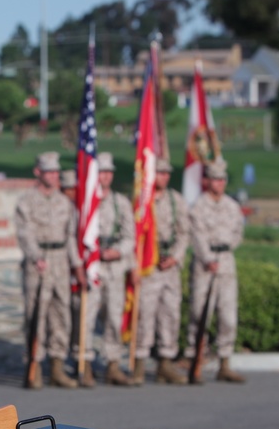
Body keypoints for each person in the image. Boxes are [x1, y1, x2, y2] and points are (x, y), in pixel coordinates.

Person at [14, 152, 87, 389]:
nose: (54, 176)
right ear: (38, 172)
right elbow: (24, 232)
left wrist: (77, 267)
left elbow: (70, 237)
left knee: (61, 313)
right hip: (39, 262)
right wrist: (36, 256)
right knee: (35, 314)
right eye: (49, 172)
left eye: (56, 172)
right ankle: (34, 365)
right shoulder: (26, 201)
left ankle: (57, 365)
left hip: (60, 261)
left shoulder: (64, 202)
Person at [184, 158, 246, 383]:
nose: (218, 183)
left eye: (221, 179)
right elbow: (196, 235)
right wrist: (208, 258)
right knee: (200, 314)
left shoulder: (232, 206)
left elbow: (239, 232)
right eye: (214, 179)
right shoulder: (199, 206)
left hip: (226, 262)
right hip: (205, 264)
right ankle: (196, 359)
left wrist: (226, 249)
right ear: (207, 181)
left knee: (228, 315)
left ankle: (225, 362)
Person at [134, 158, 189, 385]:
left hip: (169, 266)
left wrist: (175, 256)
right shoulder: (142, 200)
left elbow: (184, 232)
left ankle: (165, 363)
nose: (164, 177)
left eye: (167, 173)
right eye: (160, 173)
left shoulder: (176, 200)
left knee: (170, 314)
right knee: (145, 315)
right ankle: (139, 363)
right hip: (149, 266)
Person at [92, 152, 137, 386]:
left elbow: (131, 236)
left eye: (109, 172)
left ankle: (112, 364)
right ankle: (84, 363)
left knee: (113, 316)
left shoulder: (121, 203)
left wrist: (118, 251)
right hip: (94, 265)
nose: (105, 176)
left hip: (115, 266)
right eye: (101, 172)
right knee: (88, 316)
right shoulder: (87, 201)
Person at [60, 169, 97, 388]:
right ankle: (58, 362)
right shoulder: (63, 208)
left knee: (82, 318)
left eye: (74, 189)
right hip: (60, 269)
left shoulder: (83, 209)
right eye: (66, 189)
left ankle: (83, 362)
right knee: (62, 320)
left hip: (77, 270)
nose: (70, 193)